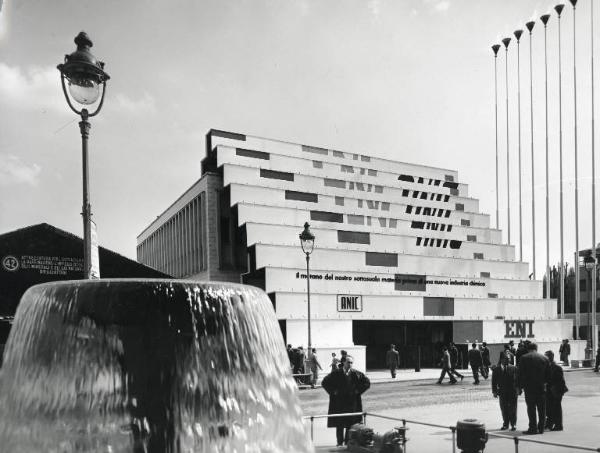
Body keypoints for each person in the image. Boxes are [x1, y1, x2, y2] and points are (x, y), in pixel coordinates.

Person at [321, 356, 371, 447]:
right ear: (344, 362)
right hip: (339, 403)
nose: (350, 364)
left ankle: (347, 443)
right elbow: (324, 382)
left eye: (351, 363)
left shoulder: (357, 374)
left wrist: (358, 391)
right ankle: (339, 443)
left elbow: (367, 383)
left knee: (350, 424)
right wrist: (333, 392)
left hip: (352, 404)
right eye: (348, 362)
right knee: (339, 424)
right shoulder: (336, 373)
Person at [518, 342, 550, 435]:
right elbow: (548, 375)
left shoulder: (524, 358)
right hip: (541, 388)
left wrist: (519, 387)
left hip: (529, 388)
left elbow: (520, 374)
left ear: (528, 349)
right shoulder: (545, 358)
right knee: (542, 409)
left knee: (531, 408)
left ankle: (533, 428)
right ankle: (541, 428)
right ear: (537, 348)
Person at [492, 353, 520, 431]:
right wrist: (494, 391)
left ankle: (513, 424)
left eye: (509, 358)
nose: (508, 360)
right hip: (502, 392)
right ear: (501, 359)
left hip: (512, 391)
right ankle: (505, 424)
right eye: (506, 358)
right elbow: (494, 382)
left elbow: (518, 379)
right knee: (504, 408)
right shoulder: (496, 370)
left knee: (513, 408)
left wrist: (518, 389)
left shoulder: (514, 368)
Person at [544, 350, 567, 431]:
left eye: (546, 356)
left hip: (556, 391)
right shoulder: (547, 366)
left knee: (556, 408)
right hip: (549, 391)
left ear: (551, 356)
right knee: (549, 408)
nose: (545, 358)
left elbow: (561, 381)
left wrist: (558, 392)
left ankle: (558, 425)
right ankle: (550, 424)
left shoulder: (557, 367)